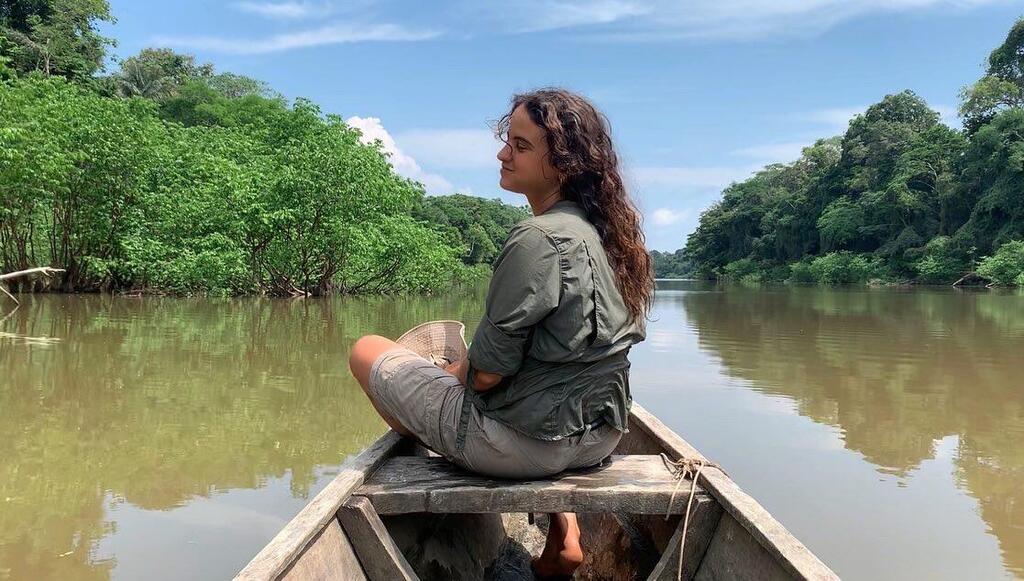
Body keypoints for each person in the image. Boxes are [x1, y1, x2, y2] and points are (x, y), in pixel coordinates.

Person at [348, 87, 654, 579]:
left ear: (565, 164)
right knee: (523, 383)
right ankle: (565, 534)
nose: (502, 153)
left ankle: (427, 432)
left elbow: (487, 376)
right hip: (601, 435)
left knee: (366, 350)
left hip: (525, 446)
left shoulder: (535, 238)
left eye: (521, 144)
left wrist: (453, 376)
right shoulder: (614, 237)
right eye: (506, 140)